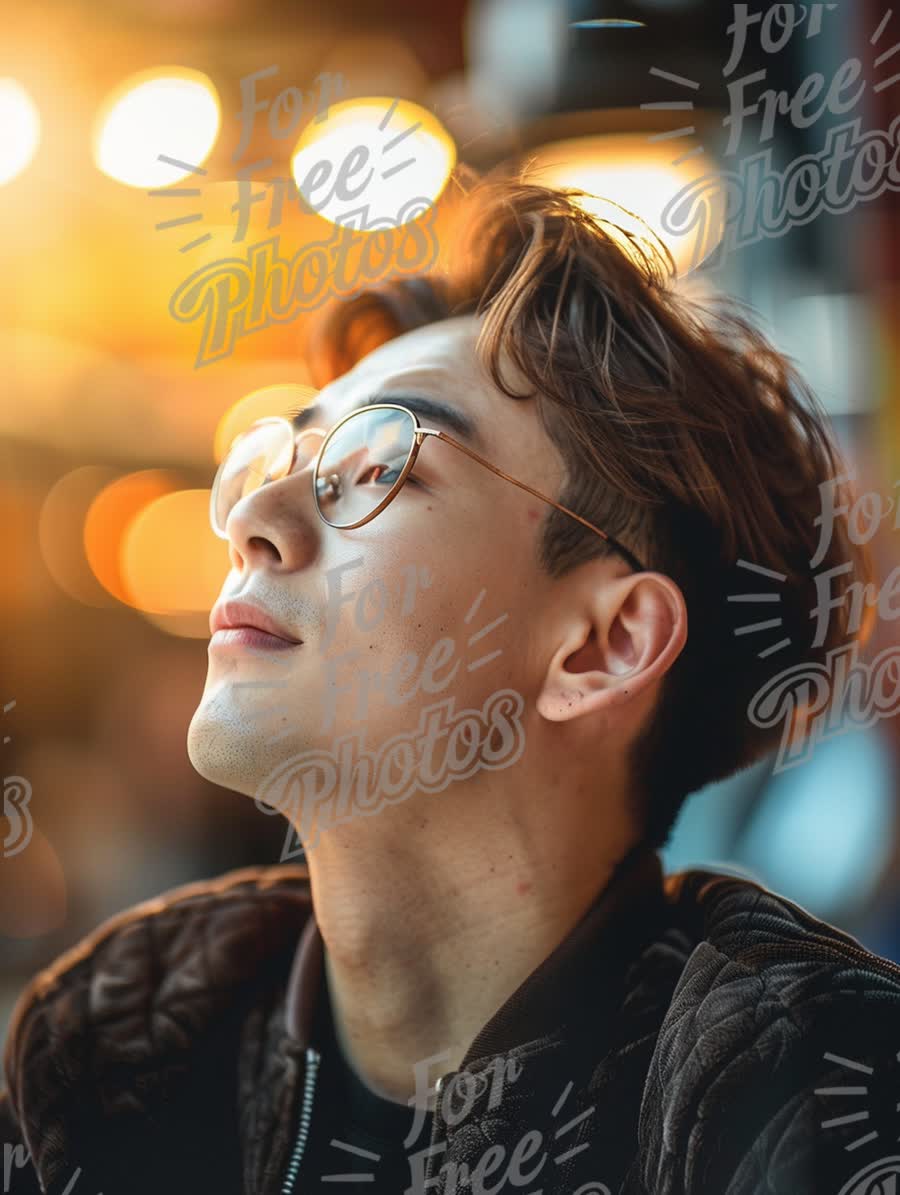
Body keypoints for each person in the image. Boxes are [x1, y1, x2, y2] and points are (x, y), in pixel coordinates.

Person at [3, 178, 899, 1195]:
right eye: (282, 454)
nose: (254, 513)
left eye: (382, 462)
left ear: (603, 645)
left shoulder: (814, 1096)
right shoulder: (109, 1048)